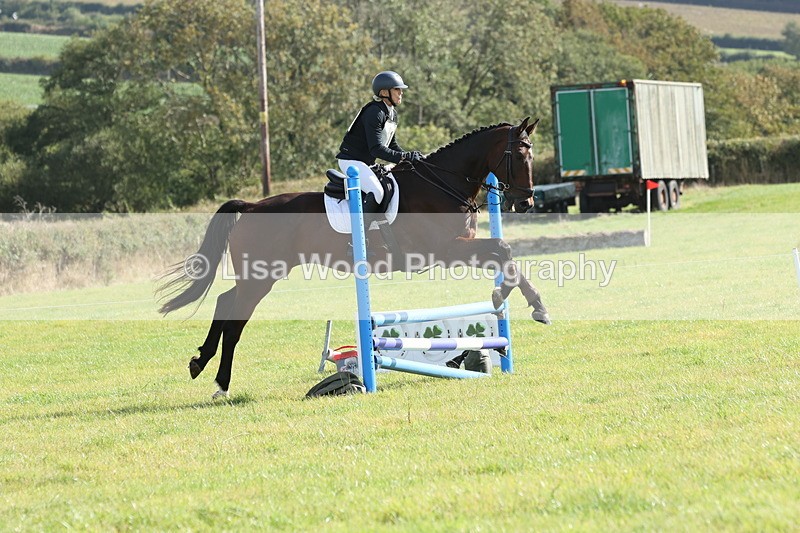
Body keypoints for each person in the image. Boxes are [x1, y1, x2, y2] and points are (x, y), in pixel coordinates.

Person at [336, 71, 422, 203]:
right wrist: (403, 157)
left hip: (366, 163)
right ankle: (361, 224)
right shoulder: (374, 112)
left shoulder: (392, 114)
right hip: (351, 161)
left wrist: (408, 157)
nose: (401, 93)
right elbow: (376, 149)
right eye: (397, 89)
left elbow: (391, 145)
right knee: (377, 192)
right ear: (384, 93)